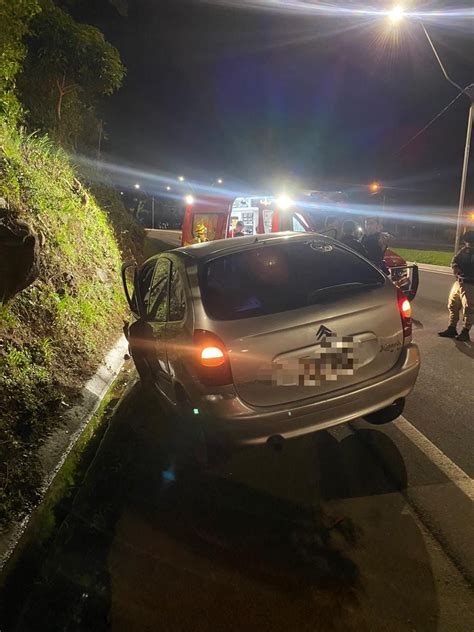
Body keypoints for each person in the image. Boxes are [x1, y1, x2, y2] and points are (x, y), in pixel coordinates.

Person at [438, 230, 474, 342]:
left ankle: (465, 331)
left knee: (469, 309)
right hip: (459, 282)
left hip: (470, 284)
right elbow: (454, 261)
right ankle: (452, 328)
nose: (467, 244)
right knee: (453, 304)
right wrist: (455, 268)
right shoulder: (464, 251)